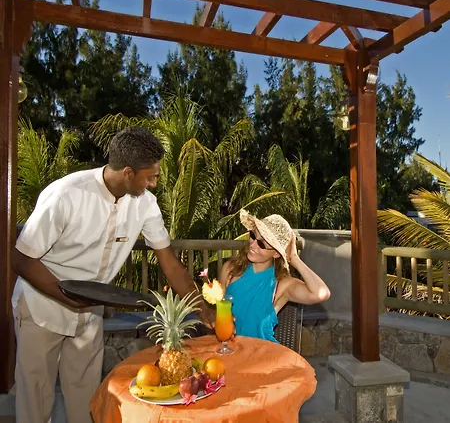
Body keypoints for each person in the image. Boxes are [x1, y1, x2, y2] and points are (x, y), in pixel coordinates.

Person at [11, 126, 214, 423]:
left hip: (89, 313)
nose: (154, 183)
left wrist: (202, 309)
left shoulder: (145, 204)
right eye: (150, 176)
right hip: (42, 306)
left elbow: (170, 263)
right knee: (35, 403)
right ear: (128, 172)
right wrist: (66, 297)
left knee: (87, 402)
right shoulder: (66, 195)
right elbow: (22, 259)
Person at [218, 209, 330, 343]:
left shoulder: (281, 284)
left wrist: (294, 259)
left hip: (262, 351)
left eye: (261, 244)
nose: (253, 244)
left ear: (276, 253)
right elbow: (216, 309)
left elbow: (320, 293)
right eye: (253, 236)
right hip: (227, 348)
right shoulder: (230, 270)